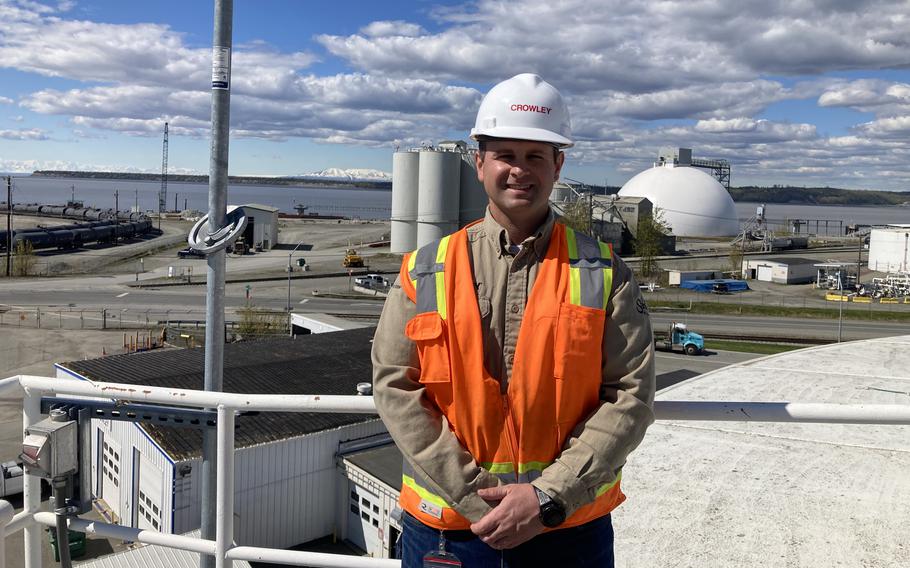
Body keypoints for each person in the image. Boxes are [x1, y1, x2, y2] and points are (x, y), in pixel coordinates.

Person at [372, 73, 655, 567]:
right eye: (506, 154)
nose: (519, 171)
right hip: (452, 531)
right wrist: (476, 496)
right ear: (479, 163)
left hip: (566, 529)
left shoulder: (604, 271)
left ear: (557, 166)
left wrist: (547, 497)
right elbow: (396, 386)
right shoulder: (425, 269)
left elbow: (629, 393)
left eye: (535, 157)